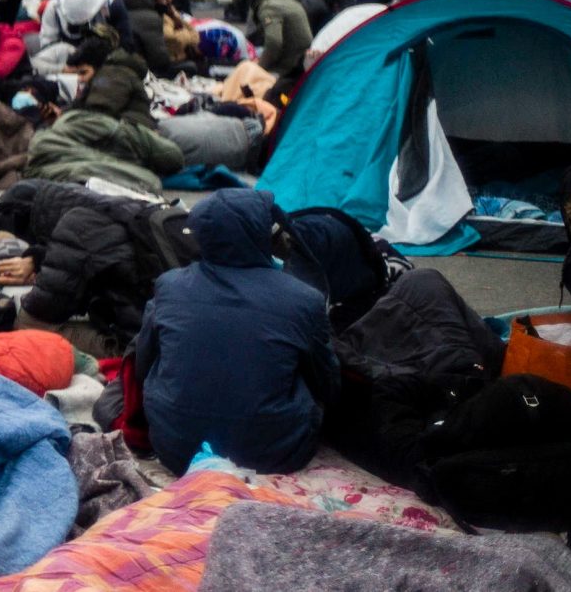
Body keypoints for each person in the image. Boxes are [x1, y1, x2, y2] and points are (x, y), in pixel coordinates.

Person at [136, 189, 339, 475]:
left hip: (177, 450)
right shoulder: (304, 299)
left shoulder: (169, 286)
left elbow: (142, 363)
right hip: (274, 454)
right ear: (262, 233)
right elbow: (328, 384)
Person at [24, 37, 183, 194]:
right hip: (117, 139)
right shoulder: (110, 76)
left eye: (83, 72)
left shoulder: (113, 74)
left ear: (97, 66)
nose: (80, 79)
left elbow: (98, 113)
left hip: (122, 140)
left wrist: (66, 118)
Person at [249, 0, 316, 83]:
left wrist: (259, 68)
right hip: (300, 61)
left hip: (287, 68)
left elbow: (273, 42)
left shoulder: (269, 7)